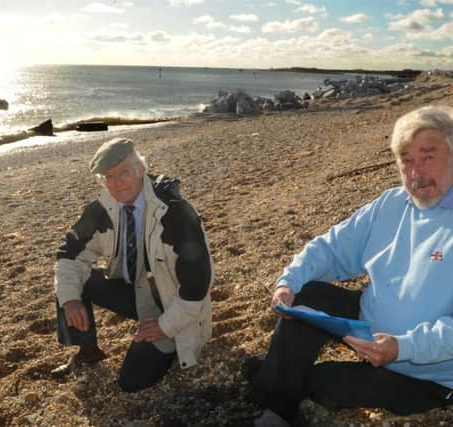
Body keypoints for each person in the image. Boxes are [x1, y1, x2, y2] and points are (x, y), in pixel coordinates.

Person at [245, 105, 453, 426]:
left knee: (321, 382)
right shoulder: (392, 203)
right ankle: (273, 406)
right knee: (308, 293)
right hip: (371, 330)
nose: (415, 173)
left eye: (428, 157)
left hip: (426, 373)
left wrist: (402, 347)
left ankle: (276, 372)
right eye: (406, 160)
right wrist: (288, 283)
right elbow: (332, 248)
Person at [52, 137, 214, 392]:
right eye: (110, 176)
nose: (118, 183)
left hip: (170, 304)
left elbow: (198, 284)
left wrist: (164, 326)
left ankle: (174, 342)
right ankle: (88, 350)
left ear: (141, 168)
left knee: (131, 382)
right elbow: (69, 253)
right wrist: (70, 300)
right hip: (134, 292)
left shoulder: (173, 211)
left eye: (124, 172)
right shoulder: (101, 209)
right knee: (72, 282)